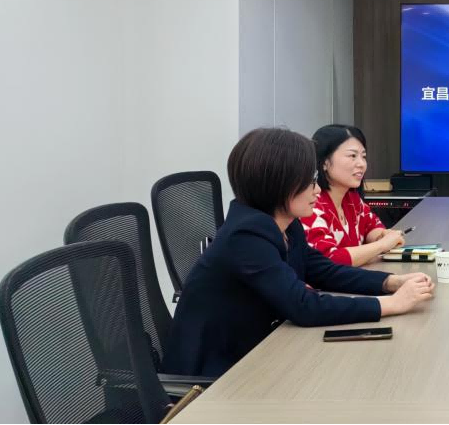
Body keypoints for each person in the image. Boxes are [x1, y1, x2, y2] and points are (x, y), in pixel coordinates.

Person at [161, 127, 434, 377]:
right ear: (280, 184)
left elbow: (323, 270)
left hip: (258, 350)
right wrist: (392, 304)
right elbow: (302, 306)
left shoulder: (286, 224)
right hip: (214, 375)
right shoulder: (245, 236)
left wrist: (390, 282)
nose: (317, 189)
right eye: (309, 181)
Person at [303, 124, 404, 266]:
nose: (362, 164)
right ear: (324, 162)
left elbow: (371, 227)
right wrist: (382, 245)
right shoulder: (311, 203)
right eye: (352, 156)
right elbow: (328, 260)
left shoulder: (351, 198)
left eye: (364, 156)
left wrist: (383, 235)